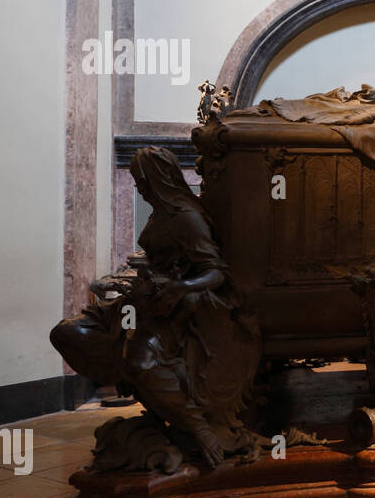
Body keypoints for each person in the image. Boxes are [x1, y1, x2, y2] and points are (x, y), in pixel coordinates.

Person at [51, 147, 260, 466]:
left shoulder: (186, 218)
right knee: (67, 332)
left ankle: (197, 427)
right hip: (138, 301)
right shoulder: (160, 212)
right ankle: (124, 368)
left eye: (141, 180)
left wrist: (181, 286)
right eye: (135, 180)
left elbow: (216, 272)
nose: (138, 187)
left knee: (141, 363)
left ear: (157, 179)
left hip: (170, 311)